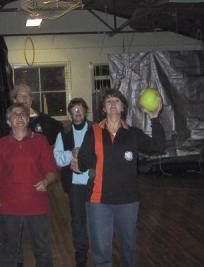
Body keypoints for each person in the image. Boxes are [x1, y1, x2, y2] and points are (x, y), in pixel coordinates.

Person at [77, 89, 165, 267]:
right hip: (98, 201)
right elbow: (83, 163)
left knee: (128, 251)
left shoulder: (132, 133)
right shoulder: (93, 132)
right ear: (103, 108)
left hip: (128, 202)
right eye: (108, 101)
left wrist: (155, 117)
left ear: (123, 106)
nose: (113, 104)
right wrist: (78, 159)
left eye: (116, 101)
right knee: (101, 254)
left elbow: (158, 146)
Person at [0, 103, 57, 267]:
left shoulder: (40, 141)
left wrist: (46, 181)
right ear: (8, 121)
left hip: (37, 205)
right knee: (9, 251)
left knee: (42, 249)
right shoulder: (1, 144)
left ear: (28, 119)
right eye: (15, 114)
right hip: (8, 207)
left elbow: (52, 171)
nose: (19, 117)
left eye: (23, 114)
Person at [53, 98, 91, 267]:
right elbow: (58, 159)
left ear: (85, 111)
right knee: (78, 221)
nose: (77, 113)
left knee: (97, 219)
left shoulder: (96, 130)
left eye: (80, 110)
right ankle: (81, 255)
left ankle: (99, 251)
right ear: (70, 113)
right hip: (75, 185)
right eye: (74, 110)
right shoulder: (64, 133)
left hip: (95, 182)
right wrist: (71, 153)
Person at [0, 83, 62, 149]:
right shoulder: (6, 120)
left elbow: (60, 133)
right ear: (14, 101)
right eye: (21, 95)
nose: (25, 98)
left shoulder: (44, 119)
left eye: (28, 96)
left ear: (31, 101)